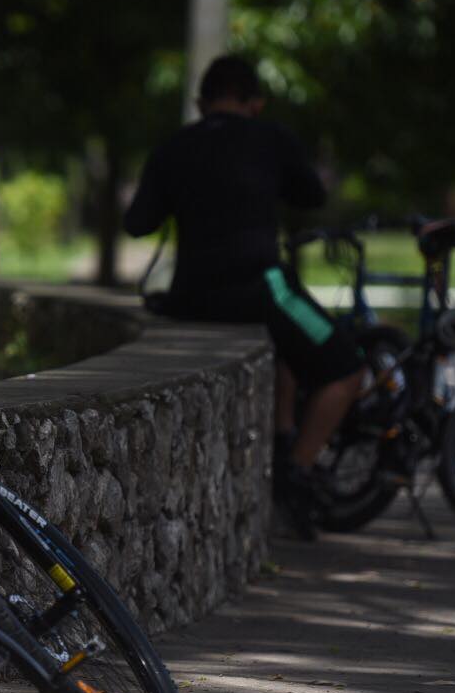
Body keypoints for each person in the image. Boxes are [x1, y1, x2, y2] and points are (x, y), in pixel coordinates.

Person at [122, 55, 363, 540]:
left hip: (191, 298)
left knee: (285, 350)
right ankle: (296, 469)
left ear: (200, 102)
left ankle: (280, 433)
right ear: (255, 102)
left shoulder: (173, 147)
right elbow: (311, 196)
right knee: (345, 365)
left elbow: (137, 224)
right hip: (259, 289)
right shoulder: (271, 137)